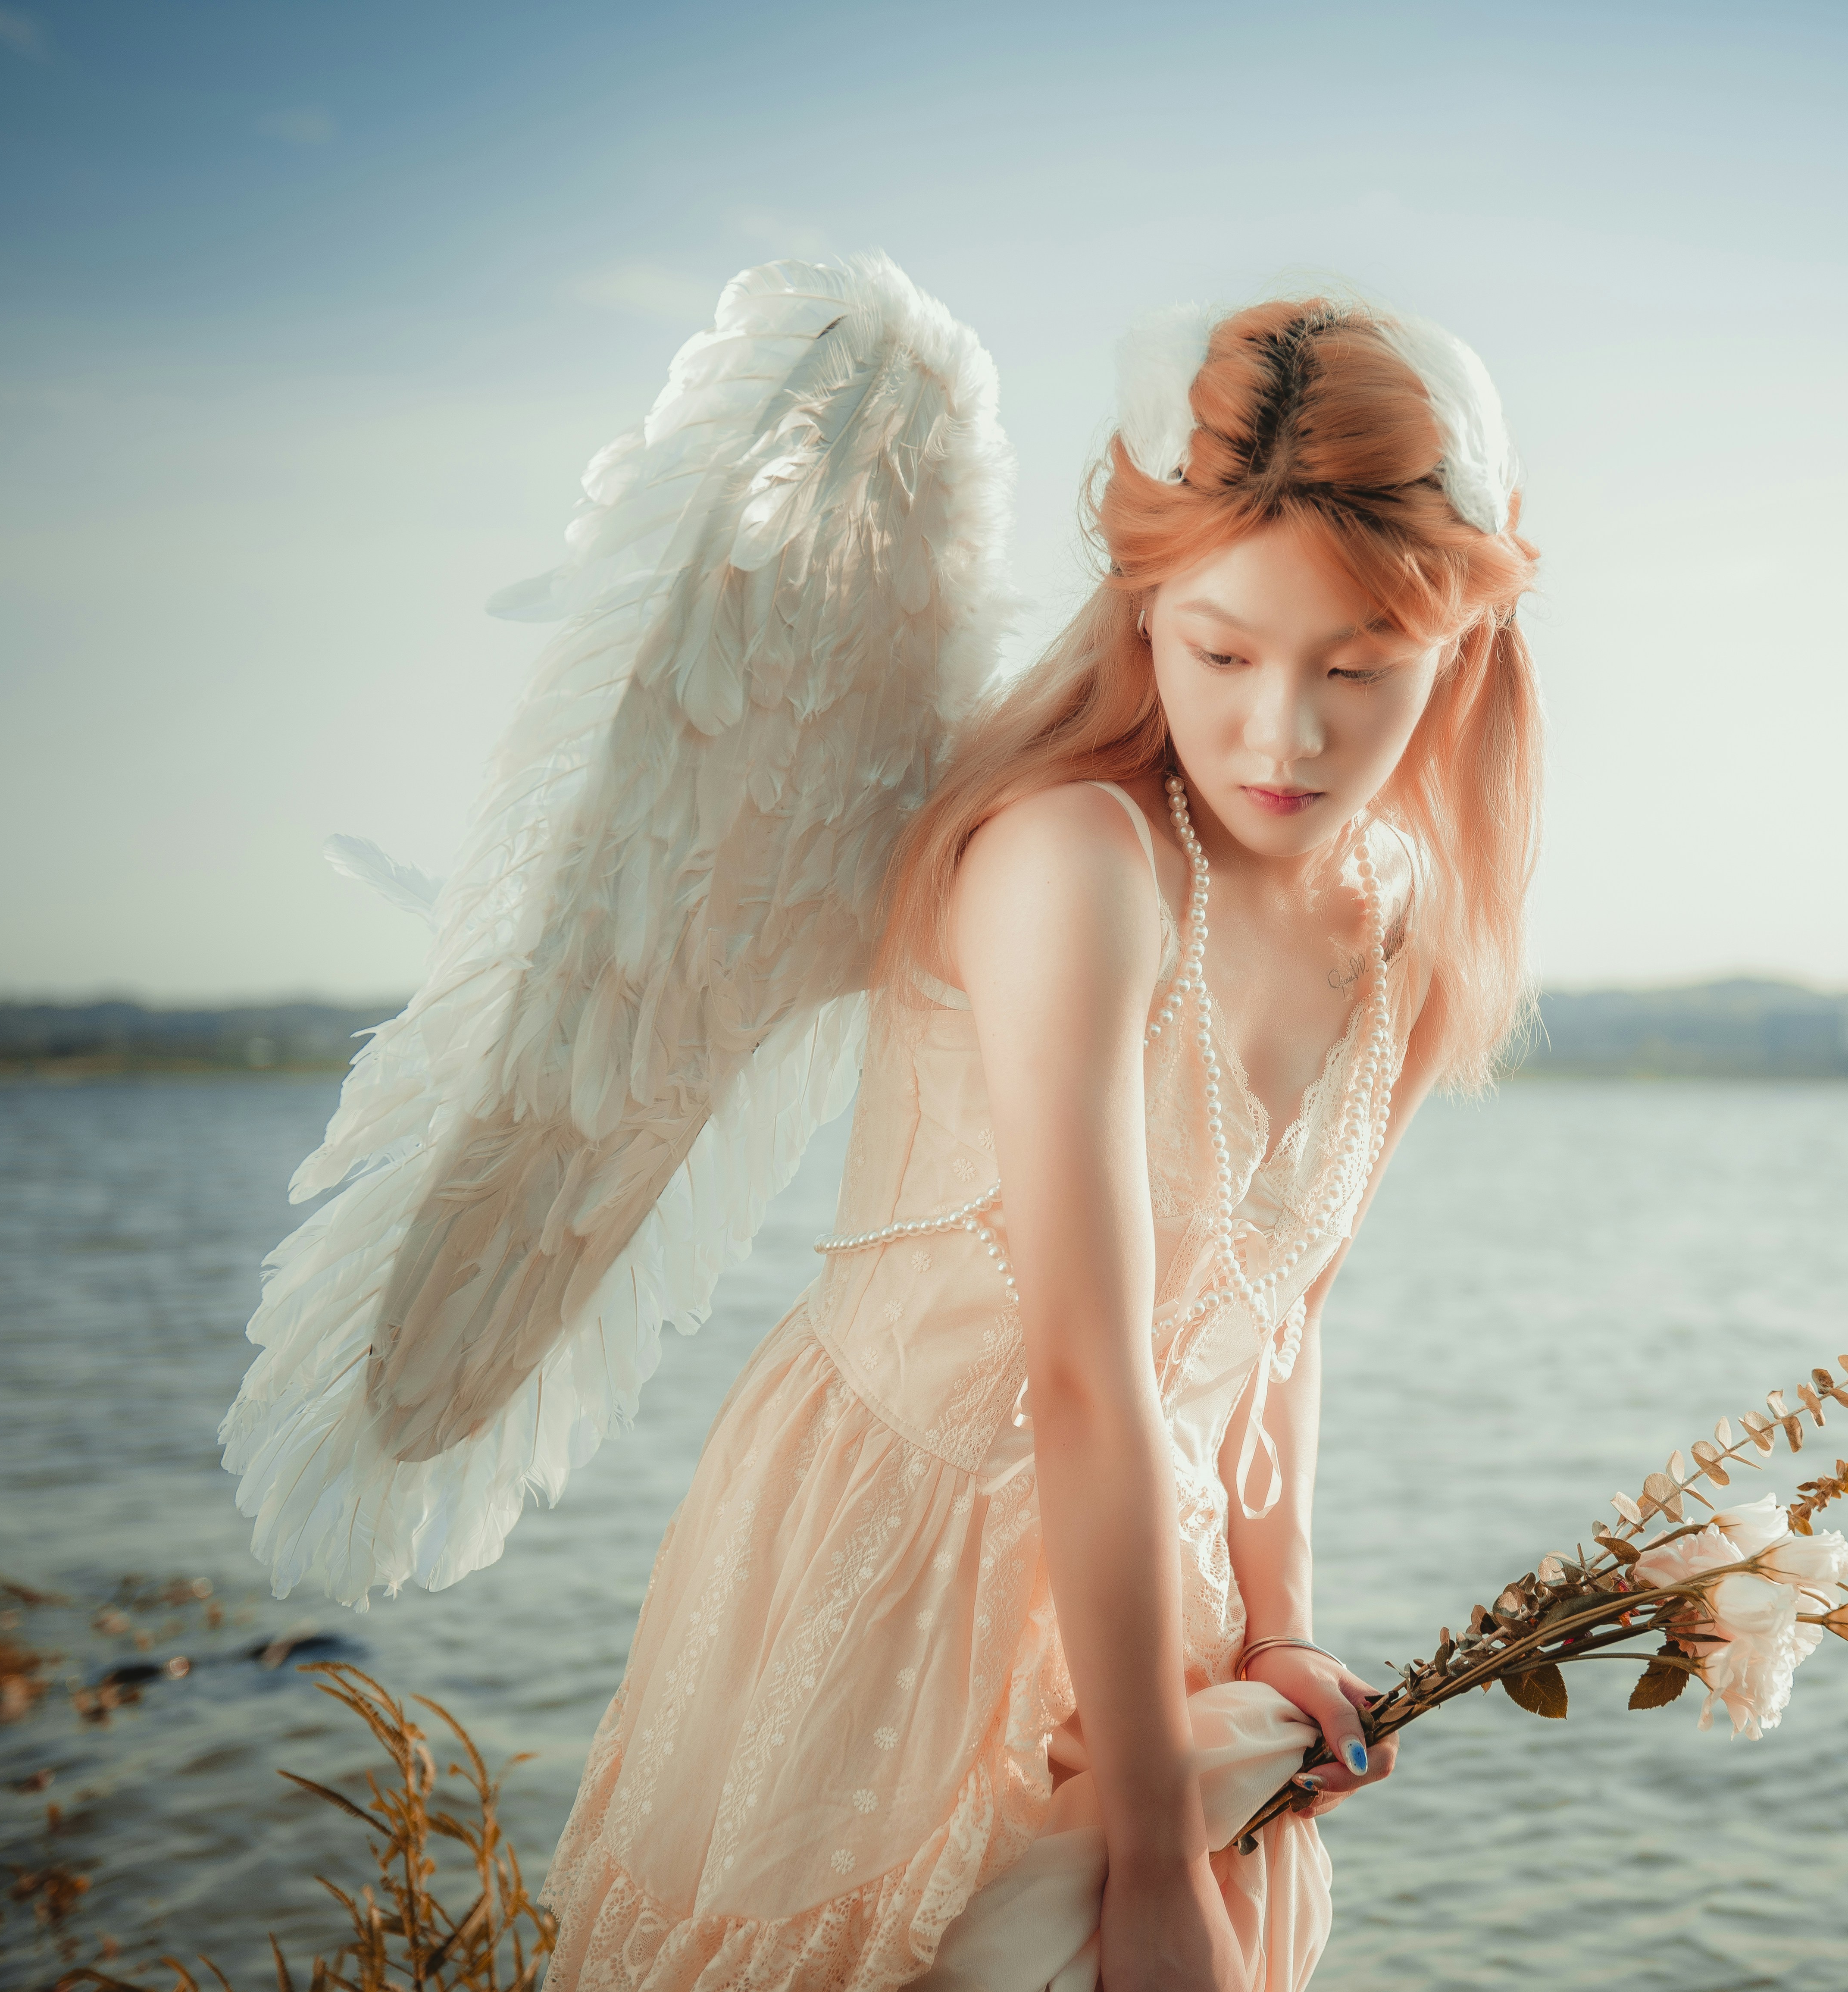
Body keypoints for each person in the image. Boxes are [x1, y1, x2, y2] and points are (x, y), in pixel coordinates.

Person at [219, 255, 1538, 1991]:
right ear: (1145, 612)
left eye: (1358, 671)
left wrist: (1276, 1631)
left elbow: (1281, 1318)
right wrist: (1150, 1855)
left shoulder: (1398, 913)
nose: (1278, 734)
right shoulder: (1077, 864)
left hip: (1159, 1564)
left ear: (1460, 644)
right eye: (1220, 649)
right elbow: (1086, 1372)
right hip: (904, 1551)